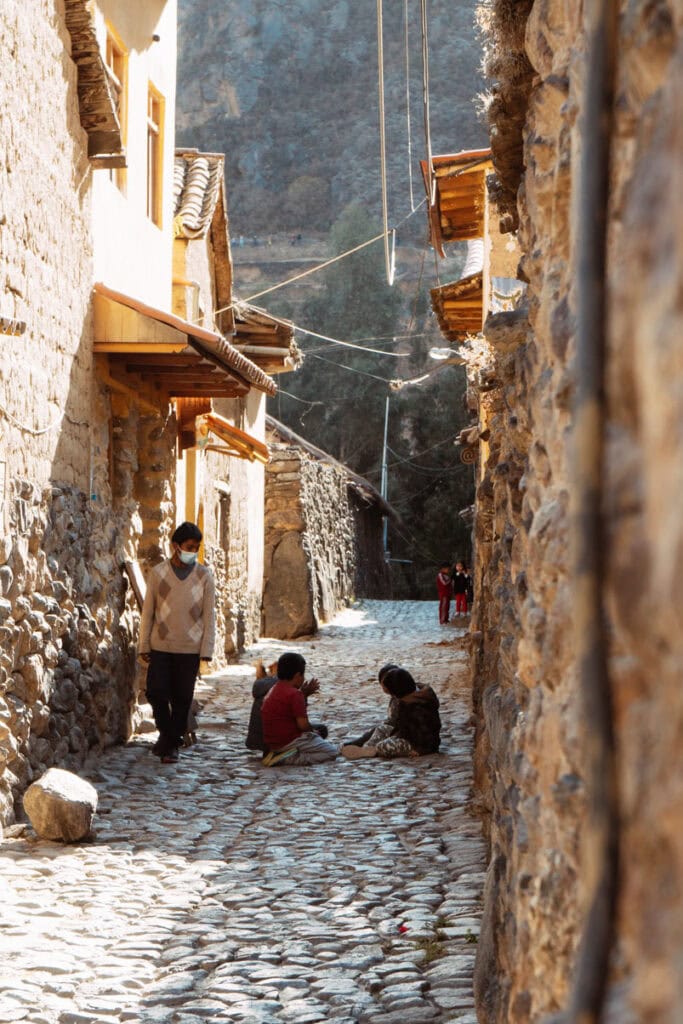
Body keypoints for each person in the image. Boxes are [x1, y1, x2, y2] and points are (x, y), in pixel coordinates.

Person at [138, 522, 216, 764]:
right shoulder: (158, 574)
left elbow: (209, 615)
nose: (193, 551)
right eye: (189, 547)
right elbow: (148, 611)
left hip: (190, 648)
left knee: (182, 698)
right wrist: (144, 645)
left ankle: (170, 745)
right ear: (175, 546)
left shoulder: (204, 576)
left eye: (196, 547)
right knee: (156, 692)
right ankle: (169, 735)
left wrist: (207, 650)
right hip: (161, 645)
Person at [342, 668, 441, 760]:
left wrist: (420, 750)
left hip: (418, 744)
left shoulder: (419, 705)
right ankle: (367, 748)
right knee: (382, 729)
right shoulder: (407, 698)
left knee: (383, 746)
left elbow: (428, 734)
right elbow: (401, 725)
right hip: (405, 735)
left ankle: (373, 750)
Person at [260, 652, 339, 766]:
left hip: (273, 742)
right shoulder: (294, 694)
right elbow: (303, 725)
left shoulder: (274, 688)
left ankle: (284, 753)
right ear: (298, 676)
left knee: (321, 732)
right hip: (289, 741)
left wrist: (304, 695)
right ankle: (290, 758)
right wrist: (312, 732)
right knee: (332, 752)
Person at [246, 658, 327, 753]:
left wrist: (303, 695)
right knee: (322, 733)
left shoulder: (271, 687)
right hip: (278, 741)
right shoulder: (286, 689)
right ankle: (291, 755)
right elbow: (300, 722)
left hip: (258, 741)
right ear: (296, 675)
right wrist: (302, 695)